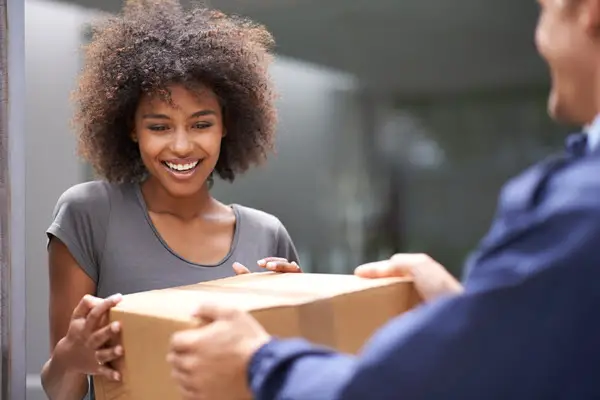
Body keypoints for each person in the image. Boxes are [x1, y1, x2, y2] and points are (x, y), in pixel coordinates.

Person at [166, 0, 600, 398]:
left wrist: (259, 365)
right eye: (160, 126)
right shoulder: (98, 216)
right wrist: (470, 313)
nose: (183, 146)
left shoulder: (581, 206)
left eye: (544, 8)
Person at [39, 1, 302, 399]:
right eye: (159, 126)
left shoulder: (267, 234)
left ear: (226, 126)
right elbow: (59, 391)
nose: (181, 146)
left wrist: (298, 310)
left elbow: (285, 381)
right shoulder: (90, 214)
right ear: (131, 128)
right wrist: (73, 357)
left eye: (201, 124)